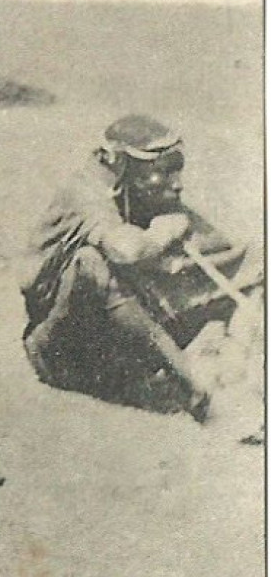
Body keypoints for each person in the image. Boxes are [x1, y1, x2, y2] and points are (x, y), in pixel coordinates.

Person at [21, 115, 264, 421]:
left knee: (257, 261)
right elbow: (125, 249)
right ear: (119, 164)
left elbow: (224, 248)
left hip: (117, 348)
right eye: (162, 173)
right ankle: (198, 391)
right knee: (91, 264)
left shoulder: (136, 189)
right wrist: (165, 232)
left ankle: (238, 375)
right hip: (62, 350)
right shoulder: (85, 192)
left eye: (177, 170)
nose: (177, 184)